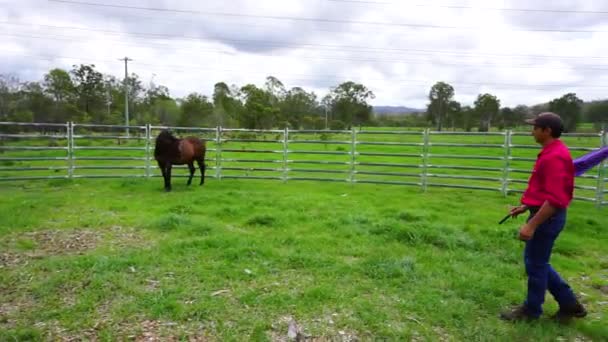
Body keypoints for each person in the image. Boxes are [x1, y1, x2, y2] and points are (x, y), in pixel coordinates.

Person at [500, 112, 587, 323]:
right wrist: (525, 206)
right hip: (544, 213)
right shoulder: (553, 151)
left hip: (547, 217)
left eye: (535, 127)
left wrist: (531, 224)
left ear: (546, 130)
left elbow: (556, 199)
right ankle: (569, 304)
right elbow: (545, 191)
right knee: (538, 262)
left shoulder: (554, 157)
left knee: (536, 264)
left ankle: (532, 311)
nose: (532, 131)